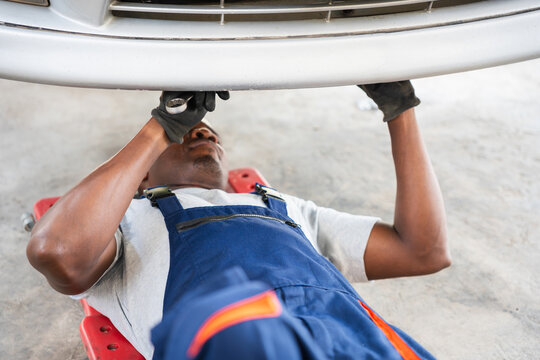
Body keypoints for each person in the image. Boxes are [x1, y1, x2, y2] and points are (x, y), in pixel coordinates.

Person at [27, 83, 451, 360]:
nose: (204, 132)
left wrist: (400, 111)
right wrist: (160, 127)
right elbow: (56, 251)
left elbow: (423, 251)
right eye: (187, 132)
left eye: (209, 132)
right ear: (139, 178)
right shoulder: (123, 221)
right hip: (239, 339)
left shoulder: (286, 207)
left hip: (352, 335)